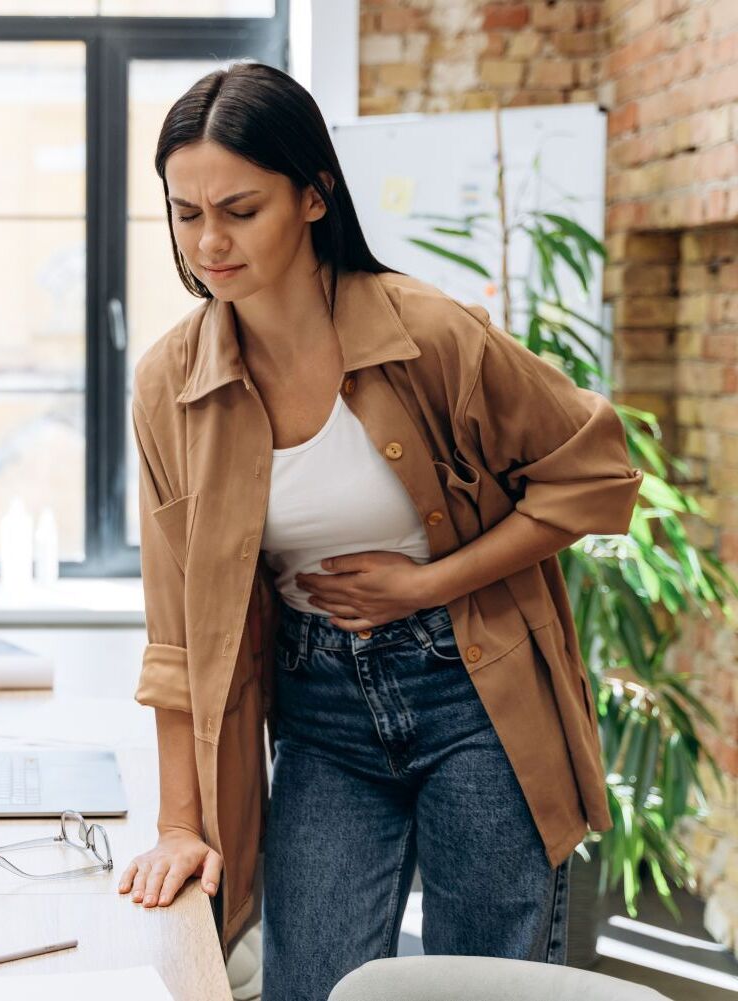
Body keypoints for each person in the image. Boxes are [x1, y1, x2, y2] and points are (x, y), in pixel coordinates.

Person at [115, 61, 643, 1000]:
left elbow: (595, 474)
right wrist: (178, 823)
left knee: (483, 987)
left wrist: (428, 584)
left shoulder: (432, 335)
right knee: (308, 984)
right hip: (319, 712)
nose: (209, 241)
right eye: (186, 212)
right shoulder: (171, 385)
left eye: (240, 208)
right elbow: (178, 637)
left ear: (315, 195)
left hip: (475, 695)